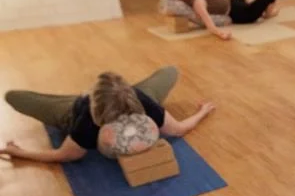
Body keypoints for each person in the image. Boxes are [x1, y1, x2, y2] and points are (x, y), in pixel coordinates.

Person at [1, 68, 214, 164]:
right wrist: (202, 112)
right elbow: (178, 129)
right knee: (170, 71)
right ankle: (88, 95)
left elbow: (63, 155)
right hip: (74, 107)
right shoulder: (88, 115)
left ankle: (89, 94)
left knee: (13, 96)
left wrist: (19, 152)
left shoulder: (87, 117)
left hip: (79, 104)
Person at [160, 0, 278, 41]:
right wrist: (221, 34)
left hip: (232, 2)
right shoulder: (197, 2)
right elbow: (209, 25)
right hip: (241, 14)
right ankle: (266, 15)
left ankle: (254, 8)